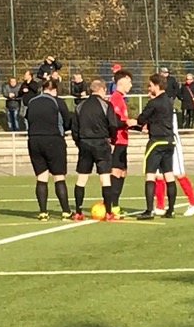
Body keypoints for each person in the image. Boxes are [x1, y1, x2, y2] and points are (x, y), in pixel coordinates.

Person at [71, 79, 119, 221]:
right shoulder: (106, 105)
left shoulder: (80, 106)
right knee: (105, 178)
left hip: (85, 142)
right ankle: (108, 212)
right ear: (102, 90)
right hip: (101, 143)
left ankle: (78, 211)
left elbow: (74, 128)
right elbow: (113, 125)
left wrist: (79, 143)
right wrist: (112, 140)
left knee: (81, 178)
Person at [26, 78, 73, 221]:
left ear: (42, 89)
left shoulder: (32, 102)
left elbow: (27, 119)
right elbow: (67, 121)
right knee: (59, 176)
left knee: (41, 176)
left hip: (34, 140)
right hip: (53, 140)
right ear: (55, 90)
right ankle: (66, 211)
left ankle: (43, 212)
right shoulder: (57, 102)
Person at [135, 74, 177, 221]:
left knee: (150, 175)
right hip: (169, 141)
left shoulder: (154, 103)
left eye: (150, 85)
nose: (149, 88)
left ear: (156, 86)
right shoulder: (169, 101)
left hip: (156, 141)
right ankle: (171, 210)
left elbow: (141, 119)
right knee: (169, 175)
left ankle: (149, 210)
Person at [153, 112, 194, 217]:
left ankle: (193, 203)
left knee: (179, 173)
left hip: (171, 143)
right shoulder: (154, 106)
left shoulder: (168, 109)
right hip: (158, 142)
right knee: (159, 175)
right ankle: (159, 206)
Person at [107, 69, 133, 218]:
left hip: (123, 140)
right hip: (117, 141)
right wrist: (130, 123)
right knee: (116, 171)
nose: (131, 85)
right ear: (121, 82)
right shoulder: (115, 98)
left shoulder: (121, 99)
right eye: (129, 81)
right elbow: (115, 122)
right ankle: (112, 205)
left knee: (122, 172)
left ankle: (115, 205)